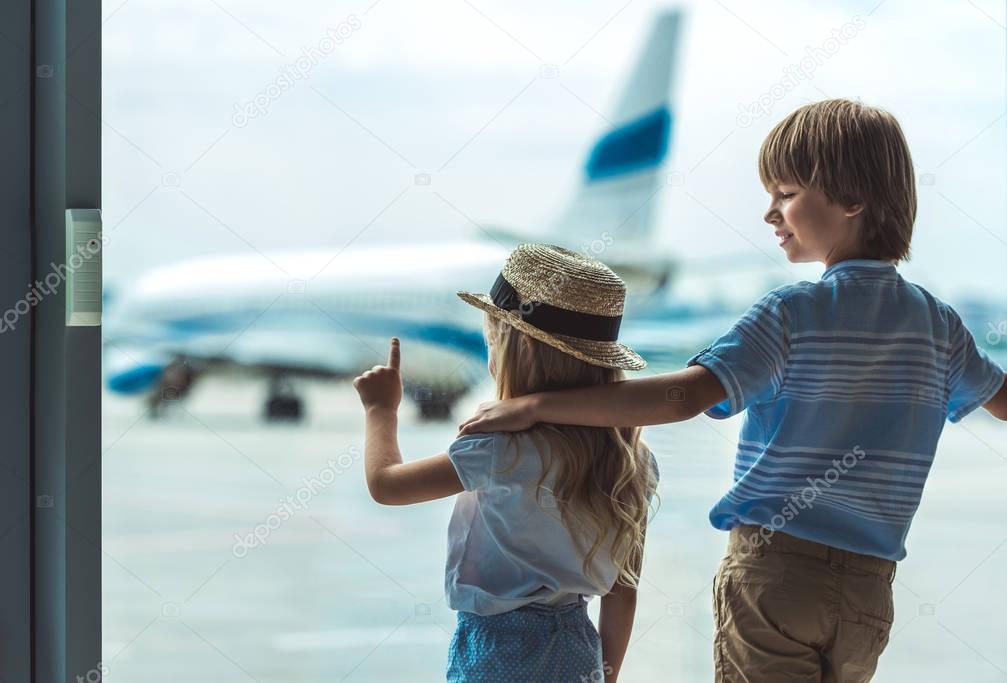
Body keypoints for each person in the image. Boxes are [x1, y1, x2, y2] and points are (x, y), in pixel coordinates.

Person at [457, 99, 1007, 682]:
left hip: (778, 570)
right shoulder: (938, 324)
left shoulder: (793, 312)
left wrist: (538, 405)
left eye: (786, 193)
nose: (770, 213)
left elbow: (683, 397)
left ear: (853, 201)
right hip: (869, 589)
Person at [353, 244, 660, 682]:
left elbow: (387, 485)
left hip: (497, 654)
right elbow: (623, 592)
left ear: (520, 353)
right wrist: (604, 675)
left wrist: (380, 411)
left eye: (493, 342)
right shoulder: (631, 461)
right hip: (578, 652)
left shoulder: (502, 448)